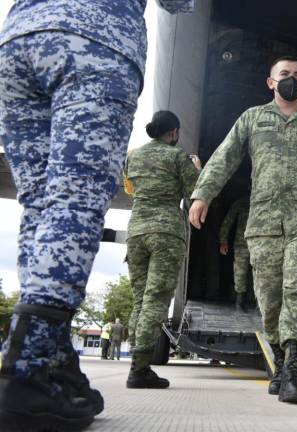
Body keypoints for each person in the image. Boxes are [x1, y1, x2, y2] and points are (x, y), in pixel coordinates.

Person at [0, 1, 194, 428]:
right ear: (174, 132)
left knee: (39, 202)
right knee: (74, 200)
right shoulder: (177, 157)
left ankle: (53, 361)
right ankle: (25, 370)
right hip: (93, 40)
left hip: (17, 39)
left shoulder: (138, 160)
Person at [188, 57, 297, 405]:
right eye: (285, 75)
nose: (292, 80)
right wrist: (203, 194)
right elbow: (226, 155)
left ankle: (295, 373)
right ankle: (280, 362)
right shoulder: (252, 119)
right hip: (263, 223)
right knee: (270, 300)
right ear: (270, 82)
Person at [124, 110, 201, 389]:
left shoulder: (133, 156)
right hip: (166, 233)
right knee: (156, 299)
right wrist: (197, 169)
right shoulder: (177, 155)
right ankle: (139, 369)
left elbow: (131, 189)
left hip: (136, 232)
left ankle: (137, 361)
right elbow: (195, 192)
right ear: (173, 132)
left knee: (140, 300)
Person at [219, 195, 252, 312]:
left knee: (265, 274)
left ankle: (260, 305)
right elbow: (228, 221)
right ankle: (239, 302)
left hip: (262, 244)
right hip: (241, 243)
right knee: (240, 273)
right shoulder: (241, 203)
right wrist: (223, 241)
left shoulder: (269, 199)